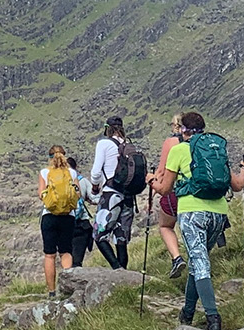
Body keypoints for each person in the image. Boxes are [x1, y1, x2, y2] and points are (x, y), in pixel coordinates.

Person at [149, 111, 244, 330]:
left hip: (192, 212)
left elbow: (165, 189)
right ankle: (187, 312)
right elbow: (237, 185)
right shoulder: (215, 148)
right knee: (198, 259)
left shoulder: (178, 150)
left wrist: (150, 182)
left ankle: (213, 318)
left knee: (200, 262)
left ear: (183, 130)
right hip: (218, 214)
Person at [90, 116, 142, 270]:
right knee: (121, 238)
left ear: (107, 128)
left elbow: (96, 172)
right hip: (128, 196)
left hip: (111, 193)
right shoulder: (128, 145)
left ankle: (115, 268)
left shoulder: (104, 143)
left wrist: (94, 188)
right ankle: (123, 272)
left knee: (99, 235)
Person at [37, 146, 78, 296]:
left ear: (50, 157)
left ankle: (52, 292)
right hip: (68, 216)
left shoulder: (44, 172)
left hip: (49, 216)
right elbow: (77, 193)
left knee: (49, 255)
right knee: (66, 252)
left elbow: (40, 194)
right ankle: (68, 289)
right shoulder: (72, 173)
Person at [152, 113, 186, 278]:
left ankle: (176, 257)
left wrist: (153, 181)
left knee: (166, 226)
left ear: (176, 126)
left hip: (174, 192)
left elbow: (162, 170)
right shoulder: (198, 141)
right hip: (196, 192)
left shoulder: (171, 142)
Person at [67, 155, 96, 268]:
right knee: (77, 261)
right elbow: (95, 198)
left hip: (63, 224)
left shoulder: (56, 181)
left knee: (65, 258)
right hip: (82, 225)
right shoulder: (82, 181)